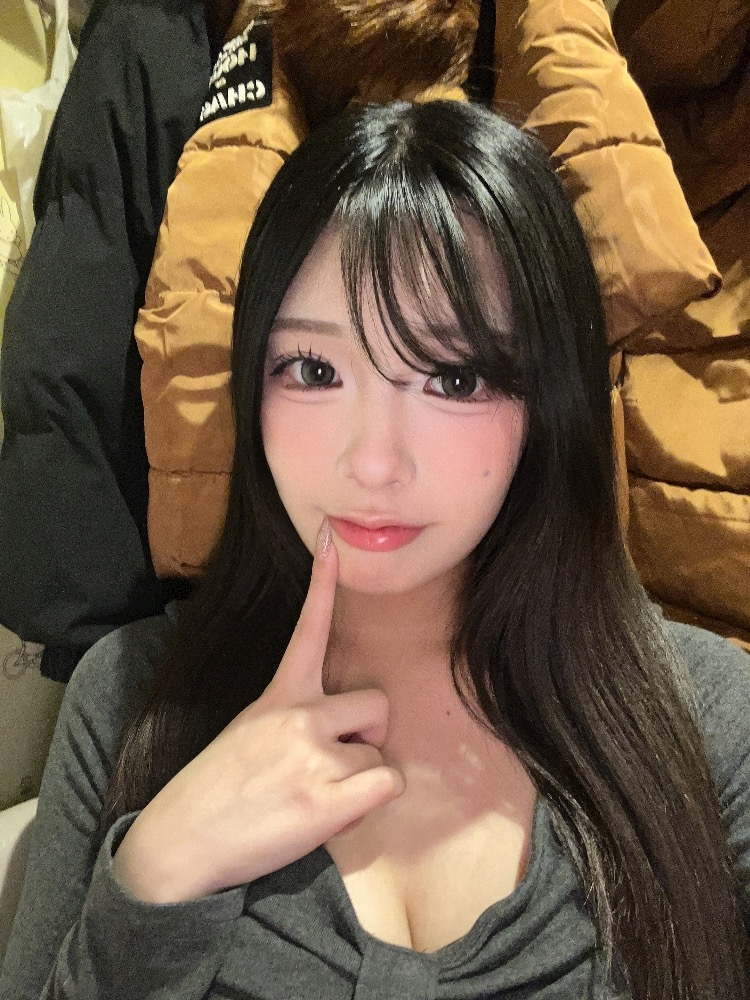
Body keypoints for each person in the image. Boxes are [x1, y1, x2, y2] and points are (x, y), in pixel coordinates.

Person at [1, 99, 749, 1000]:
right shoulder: (132, 698)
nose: (373, 464)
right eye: (313, 371)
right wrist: (157, 873)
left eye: (454, 377)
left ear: (550, 402)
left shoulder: (708, 724)